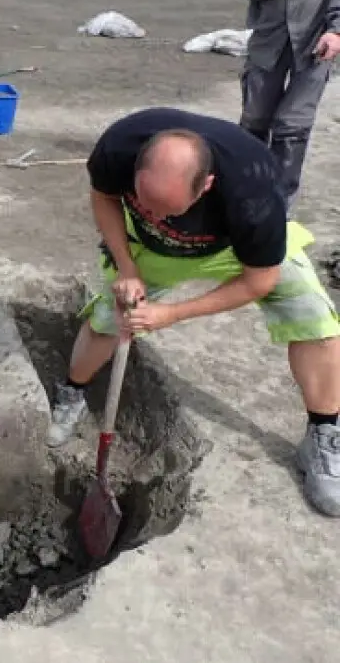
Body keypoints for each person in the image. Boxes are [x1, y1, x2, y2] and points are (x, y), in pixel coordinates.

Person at [47, 106, 340, 518]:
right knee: (110, 320)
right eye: (145, 205)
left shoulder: (254, 191)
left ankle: (325, 431)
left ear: (206, 185)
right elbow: (104, 197)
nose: (154, 215)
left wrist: (172, 313)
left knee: (314, 317)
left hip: (231, 250)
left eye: (168, 210)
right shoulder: (119, 145)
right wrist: (126, 268)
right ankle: (71, 393)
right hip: (151, 250)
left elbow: (259, 281)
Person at [233, 0, 340, 209]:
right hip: (269, 37)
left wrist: (335, 30)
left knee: (292, 126)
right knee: (254, 120)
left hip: (315, 39)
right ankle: (245, 201)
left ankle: (279, 211)